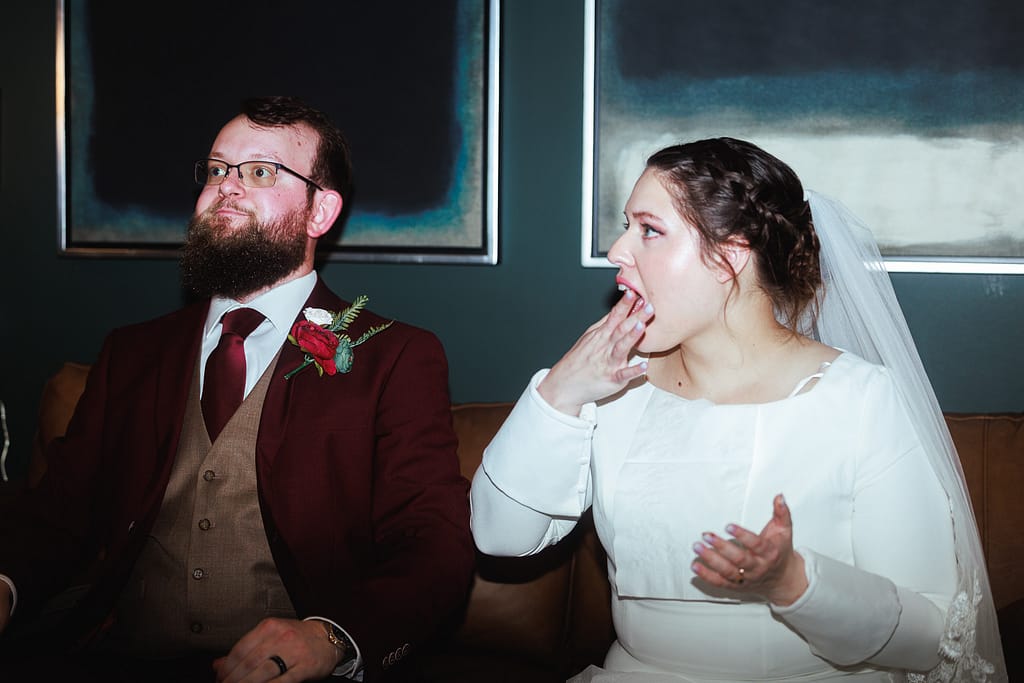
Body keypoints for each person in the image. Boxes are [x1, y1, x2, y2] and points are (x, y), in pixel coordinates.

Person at [470, 138, 1006, 682]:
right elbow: (501, 537)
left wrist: (794, 584)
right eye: (626, 225)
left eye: (649, 230)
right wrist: (561, 390)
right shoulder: (613, 388)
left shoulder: (860, 399)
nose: (616, 250)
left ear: (730, 256)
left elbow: (931, 637)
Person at [0, 96, 475, 682]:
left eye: (260, 172)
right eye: (218, 169)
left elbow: (433, 543)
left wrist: (331, 639)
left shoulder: (395, 357)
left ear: (319, 212)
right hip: (119, 656)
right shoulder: (132, 352)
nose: (226, 186)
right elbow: (58, 510)